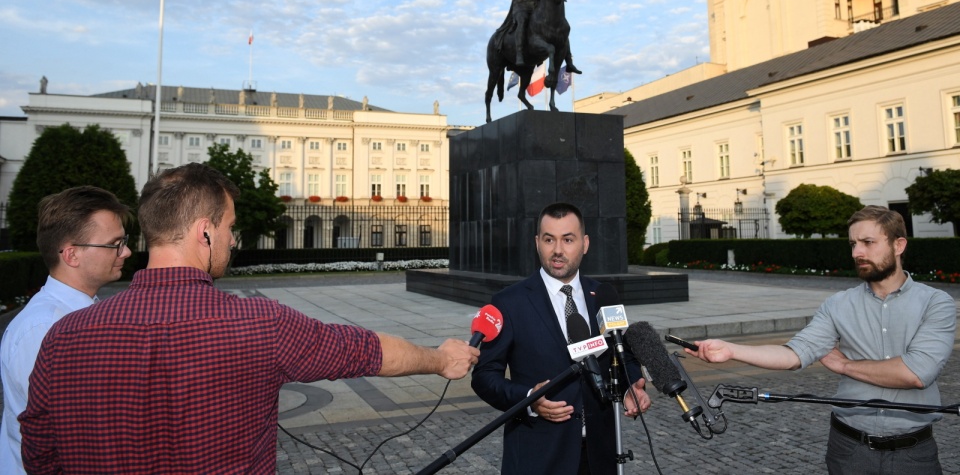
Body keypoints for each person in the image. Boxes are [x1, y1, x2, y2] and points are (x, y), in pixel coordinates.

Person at [18, 163, 479, 474]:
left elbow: (40, 453)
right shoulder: (258, 323)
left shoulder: (64, 337)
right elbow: (368, 351)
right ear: (204, 231)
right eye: (229, 227)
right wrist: (440, 359)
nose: (232, 239)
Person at [689, 205, 955, 474]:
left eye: (868, 242)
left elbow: (916, 373)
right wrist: (731, 349)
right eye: (853, 244)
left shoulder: (935, 303)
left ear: (899, 245)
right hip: (849, 450)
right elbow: (795, 354)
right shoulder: (837, 304)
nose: (857, 252)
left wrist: (844, 366)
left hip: (913, 454)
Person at [472, 202, 651, 474]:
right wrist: (529, 398)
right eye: (549, 239)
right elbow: (484, 376)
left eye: (568, 239)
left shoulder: (602, 295)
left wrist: (629, 387)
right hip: (539, 456)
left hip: (601, 455)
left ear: (585, 243)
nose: (558, 250)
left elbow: (620, 354)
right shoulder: (509, 302)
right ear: (537, 243)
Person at [1, 186, 132, 475]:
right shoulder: (44, 328)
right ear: (72, 255)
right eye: (115, 243)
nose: (127, 251)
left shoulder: (77, 314)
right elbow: (58, 439)